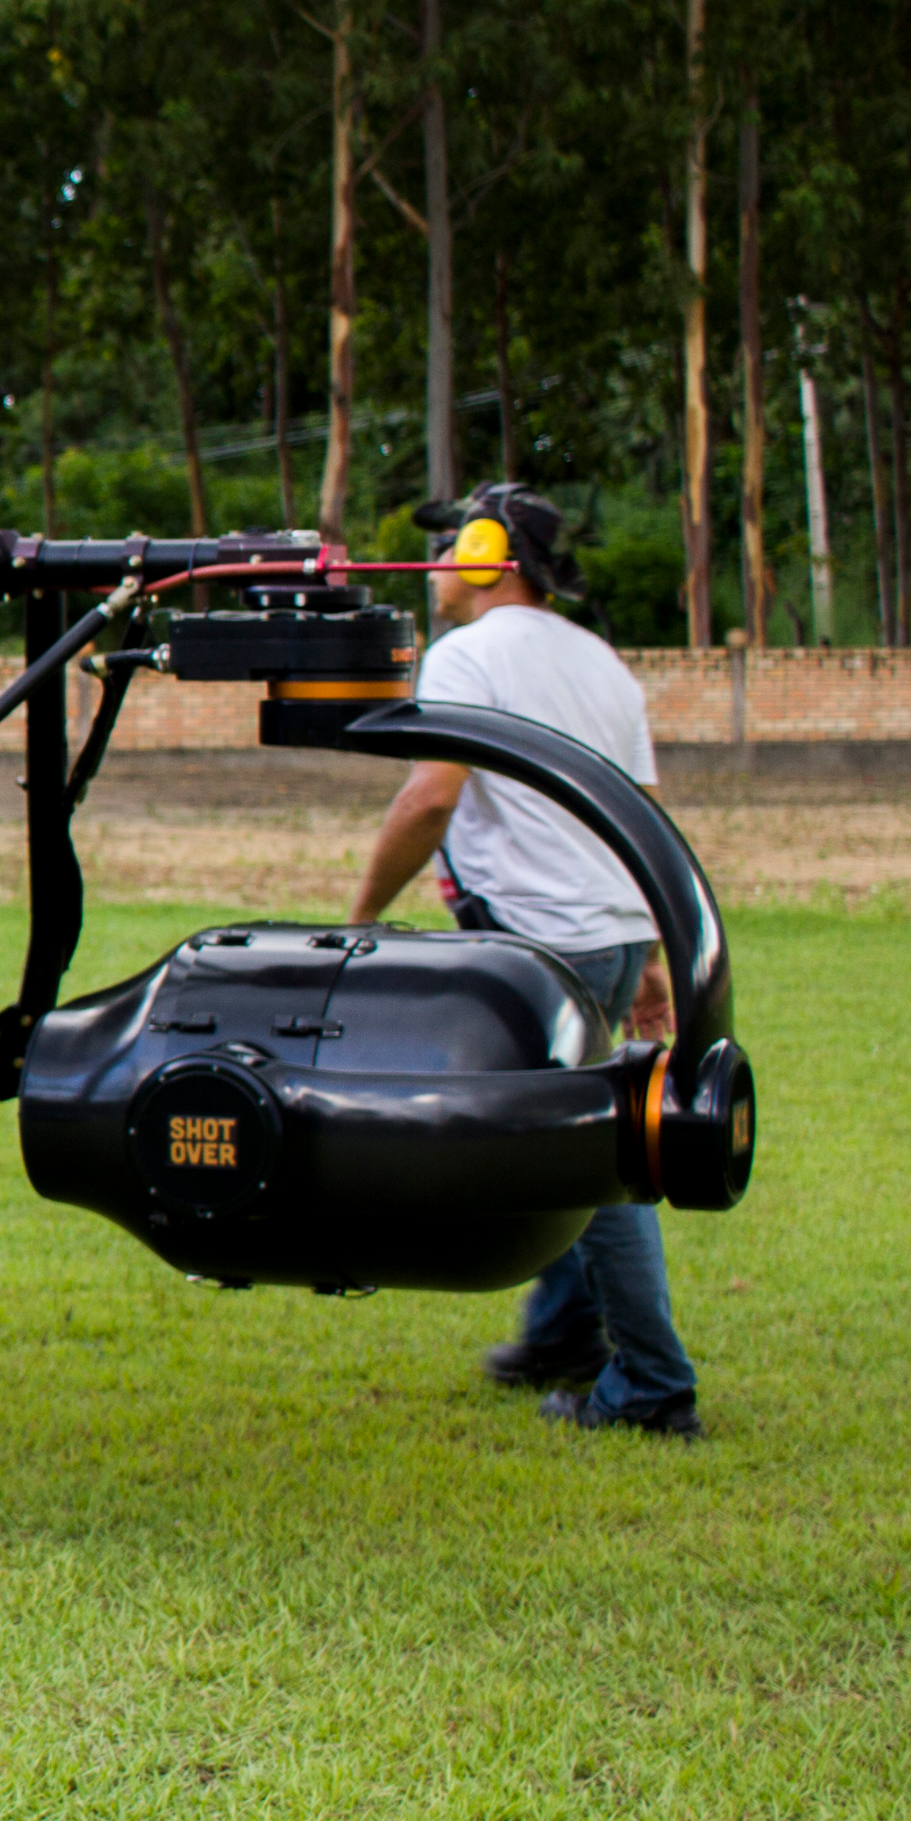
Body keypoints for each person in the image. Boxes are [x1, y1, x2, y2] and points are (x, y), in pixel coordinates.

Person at [349, 481, 705, 1441]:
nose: (437, 564)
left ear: (486, 555)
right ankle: (561, 1334)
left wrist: (364, 911)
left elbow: (431, 797)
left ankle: (654, 1384)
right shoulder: (603, 664)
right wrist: (656, 959)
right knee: (542, 1131)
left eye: (451, 545)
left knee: (593, 1153)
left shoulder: (467, 656)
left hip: (542, 938)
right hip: (613, 928)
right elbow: (639, 818)